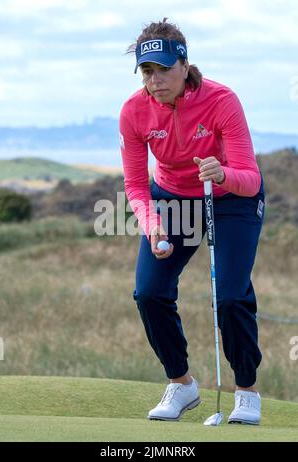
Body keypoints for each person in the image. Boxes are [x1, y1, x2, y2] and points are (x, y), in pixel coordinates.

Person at [119, 18, 265, 425]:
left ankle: (247, 391)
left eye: (164, 69)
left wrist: (222, 174)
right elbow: (134, 184)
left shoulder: (222, 100)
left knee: (231, 296)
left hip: (230, 197)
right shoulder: (133, 111)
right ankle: (182, 384)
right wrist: (152, 224)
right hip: (172, 198)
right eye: (148, 72)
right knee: (149, 293)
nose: (156, 80)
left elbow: (249, 177)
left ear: (184, 65)